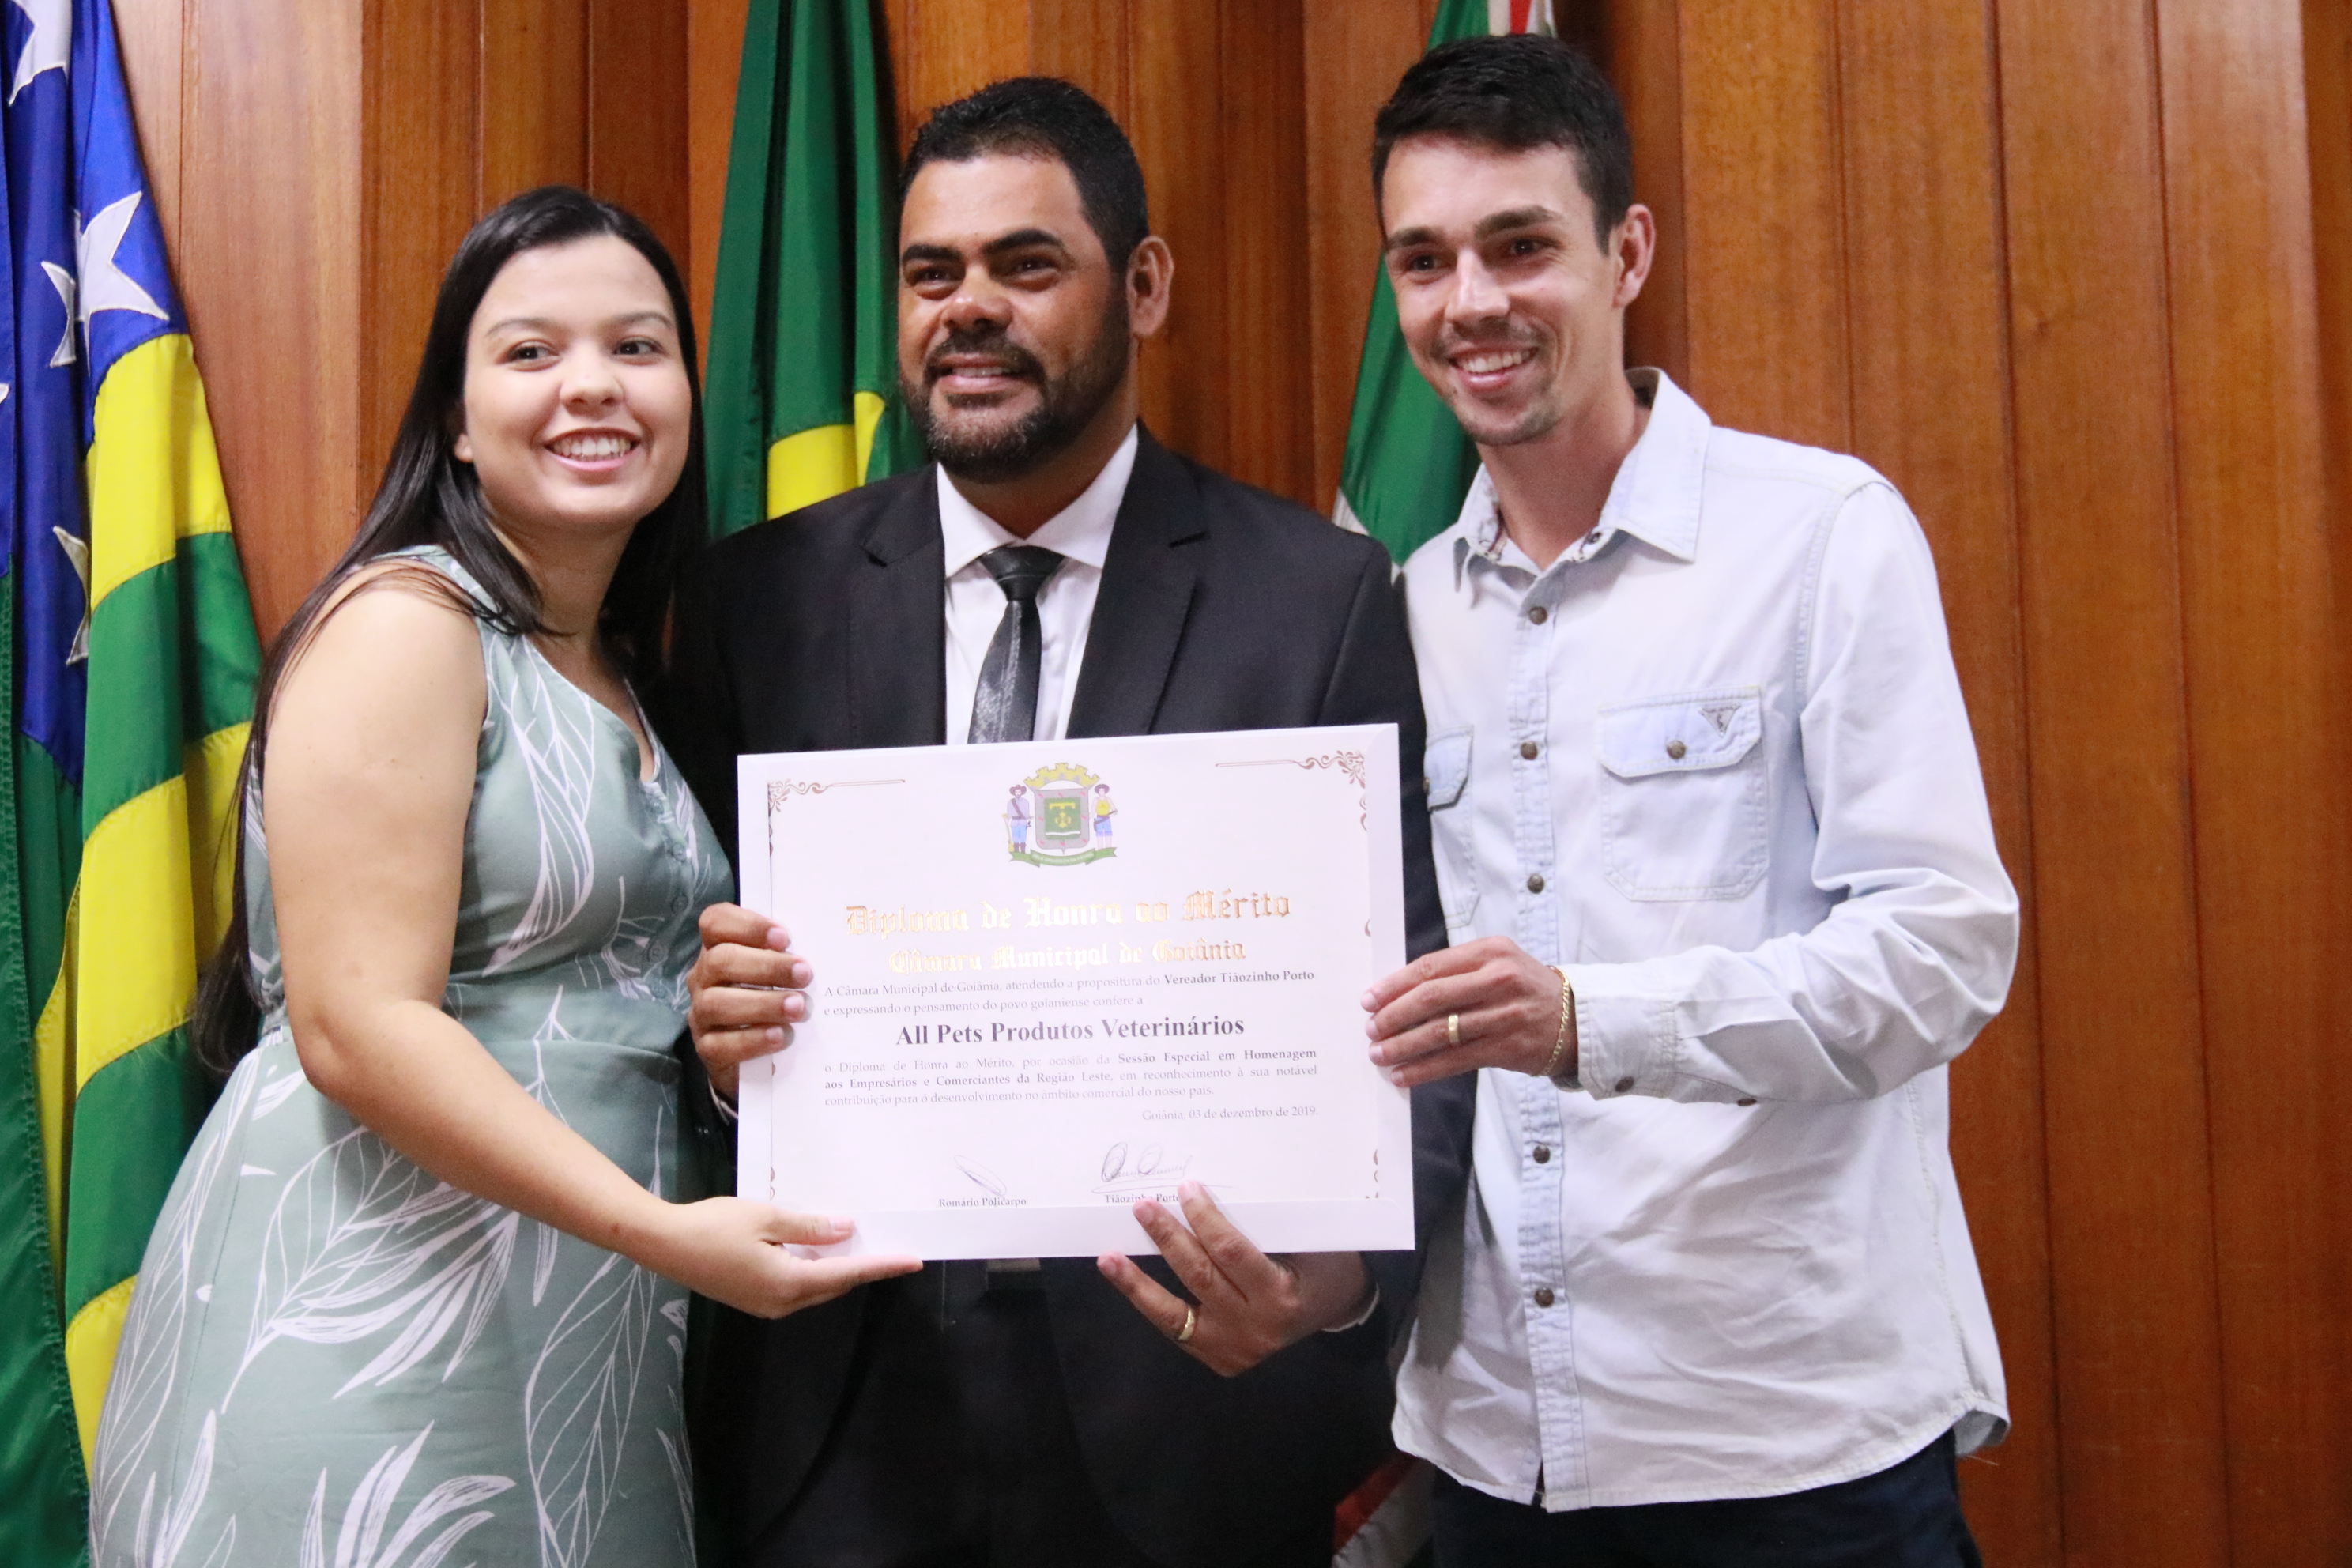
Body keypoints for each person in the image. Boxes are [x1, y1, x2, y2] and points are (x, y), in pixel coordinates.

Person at [663, 78, 1472, 1568]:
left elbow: (1414, 1004)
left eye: (1026, 265)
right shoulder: (754, 601)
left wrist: (1340, 1285)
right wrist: (718, 1051)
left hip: (1188, 1415)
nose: (968, 308)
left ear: (1142, 285)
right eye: (931, 273)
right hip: (837, 1429)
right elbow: (663, 1002)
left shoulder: (1316, 601)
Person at [85, 187, 918, 1568]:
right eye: (532, 351)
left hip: (582, 1332)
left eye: (638, 347)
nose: (592, 384)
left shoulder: (626, 671)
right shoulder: (409, 623)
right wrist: (669, 1236)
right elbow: (358, 1026)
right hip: (372, 1324)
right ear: (459, 422)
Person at [1355, 37, 2017, 1567]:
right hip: (1497, 1448)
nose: (1471, 302)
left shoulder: (1824, 534)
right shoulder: (1398, 609)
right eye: (1424, 260)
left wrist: (1587, 1019)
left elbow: (1943, 946)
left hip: (1788, 1438)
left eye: (1521, 244)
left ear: (1628, 252)